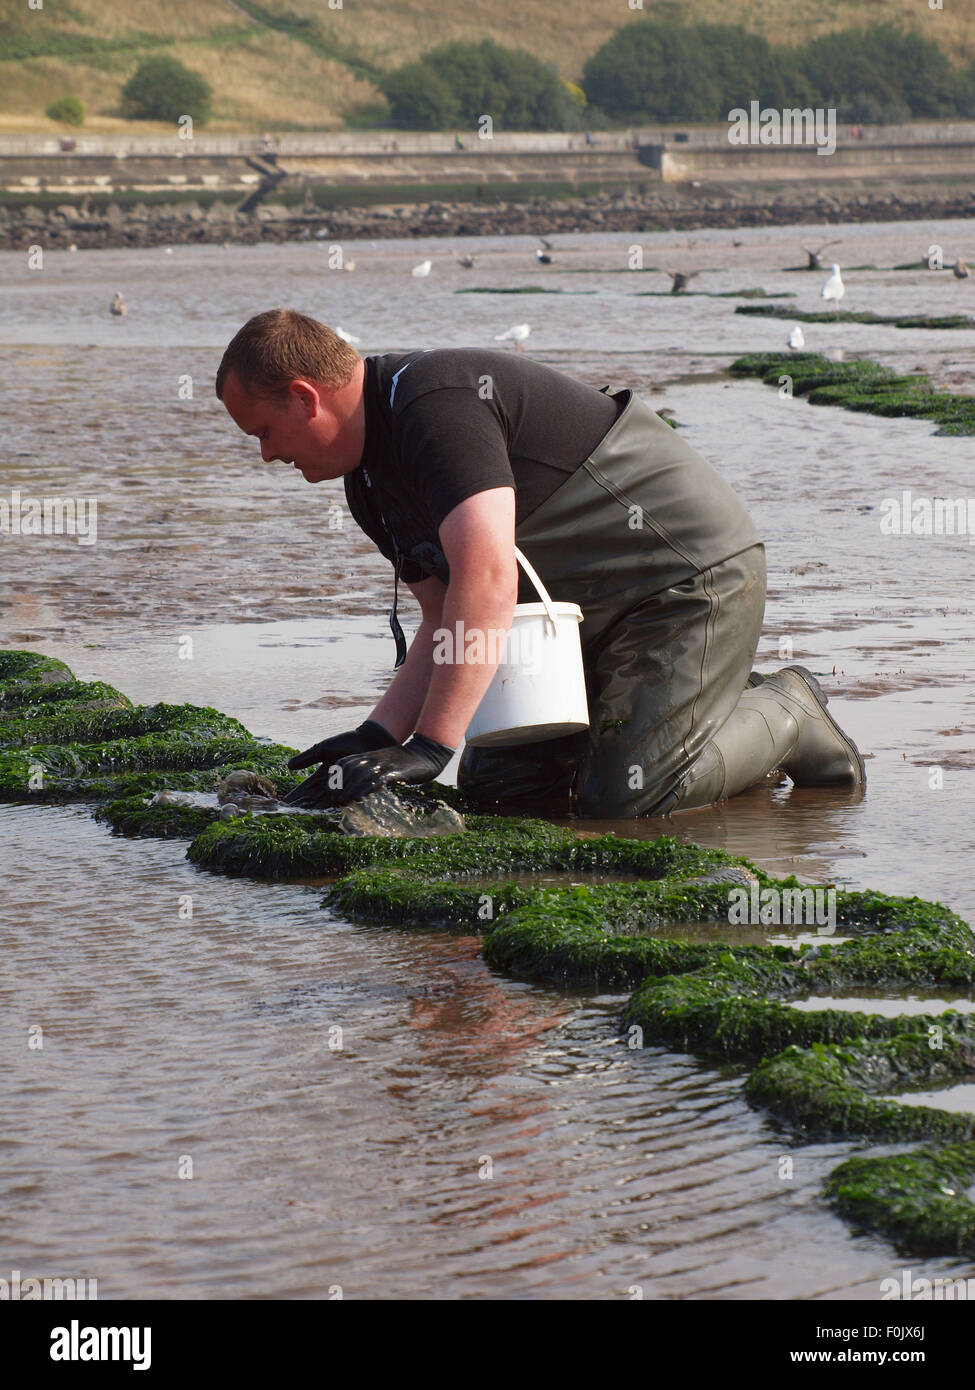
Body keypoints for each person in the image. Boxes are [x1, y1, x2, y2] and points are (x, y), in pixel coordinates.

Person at [215, 308, 865, 814]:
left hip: (683, 579)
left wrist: (432, 746)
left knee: (630, 798)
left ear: (304, 397)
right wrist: (377, 734)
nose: (267, 455)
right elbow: (444, 618)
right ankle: (687, 721)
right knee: (506, 799)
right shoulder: (367, 484)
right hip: (569, 619)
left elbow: (488, 577)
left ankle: (787, 710)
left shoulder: (431, 407)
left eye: (263, 434)